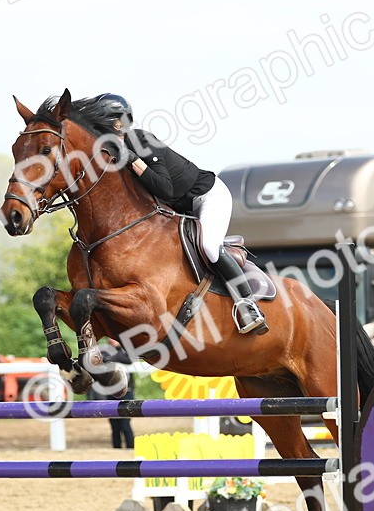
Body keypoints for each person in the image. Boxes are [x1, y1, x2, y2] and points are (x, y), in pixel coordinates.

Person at [93, 93, 267, 335]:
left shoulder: (141, 140)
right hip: (177, 209)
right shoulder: (108, 154)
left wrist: (133, 159)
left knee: (208, 246)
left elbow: (165, 188)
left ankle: (248, 304)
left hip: (207, 196)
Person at [87, 338, 135, 449]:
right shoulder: (104, 351)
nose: (111, 340)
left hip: (127, 392)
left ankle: (130, 447)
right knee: (114, 423)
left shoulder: (125, 350)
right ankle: (116, 447)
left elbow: (129, 360)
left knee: (125, 422)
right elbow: (99, 362)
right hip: (110, 392)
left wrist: (112, 358)